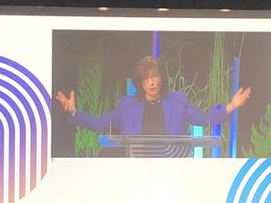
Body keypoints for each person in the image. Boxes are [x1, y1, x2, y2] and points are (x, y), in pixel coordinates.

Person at [55, 55, 251, 140]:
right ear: (140, 83)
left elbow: (205, 120)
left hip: (172, 170)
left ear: (161, 78)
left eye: (154, 76)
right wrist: (73, 112)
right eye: (146, 79)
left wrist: (232, 106)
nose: (151, 82)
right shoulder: (127, 105)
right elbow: (99, 124)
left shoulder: (178, 101)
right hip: (137, 172)